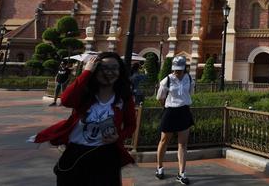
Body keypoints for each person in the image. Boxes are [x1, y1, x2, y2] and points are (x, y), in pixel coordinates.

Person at [32, 52, 136, 186]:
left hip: (106, 154)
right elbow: (66, 100)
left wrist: (118, 137)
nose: (109, 72)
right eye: (103, 68)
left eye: (114, 68)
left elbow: (131, 125)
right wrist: (86, 72)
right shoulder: (85, 93)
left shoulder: (123, 98)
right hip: (76, 153)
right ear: (95, 70)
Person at [155, 55, 195, 184]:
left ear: (185, 68)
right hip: (170, 111)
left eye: (180, 69)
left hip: (184, 111)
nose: (177, 72)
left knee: (182, 144)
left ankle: (182, 173)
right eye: (175, 69)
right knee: (164, 141)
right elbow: (160, 97)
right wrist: (166, 108)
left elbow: (190, 94)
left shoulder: (189, 78)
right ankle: (160, 168)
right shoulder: (167, 80)